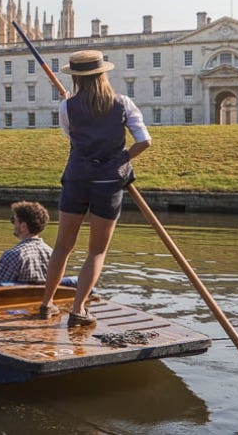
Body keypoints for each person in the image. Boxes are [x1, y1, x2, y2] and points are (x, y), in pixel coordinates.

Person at [38, 49, 151, 327]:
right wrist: (121, 158)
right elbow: (144, 141)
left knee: (62, 246)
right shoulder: (123, 103)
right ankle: (78, 310)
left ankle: (47, 304)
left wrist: (71, 106)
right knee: (97, 251)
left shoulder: (66, 107)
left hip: (76, 178)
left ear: (76, 77)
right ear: (103, 75)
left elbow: (72, 137)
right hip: (107, 183)